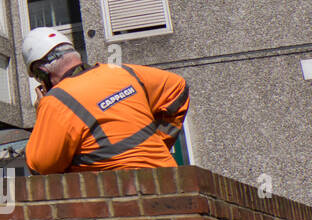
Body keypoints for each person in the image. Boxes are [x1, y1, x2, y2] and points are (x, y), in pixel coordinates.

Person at [22, 27, 189, 174]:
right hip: (167, 177)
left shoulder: (55, 100)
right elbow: (177, 88)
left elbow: (40, 166)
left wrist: (42, 112)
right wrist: (158, 142)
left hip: (119, 192)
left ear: (43, 72)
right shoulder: (120, 71)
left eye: (38, 77)